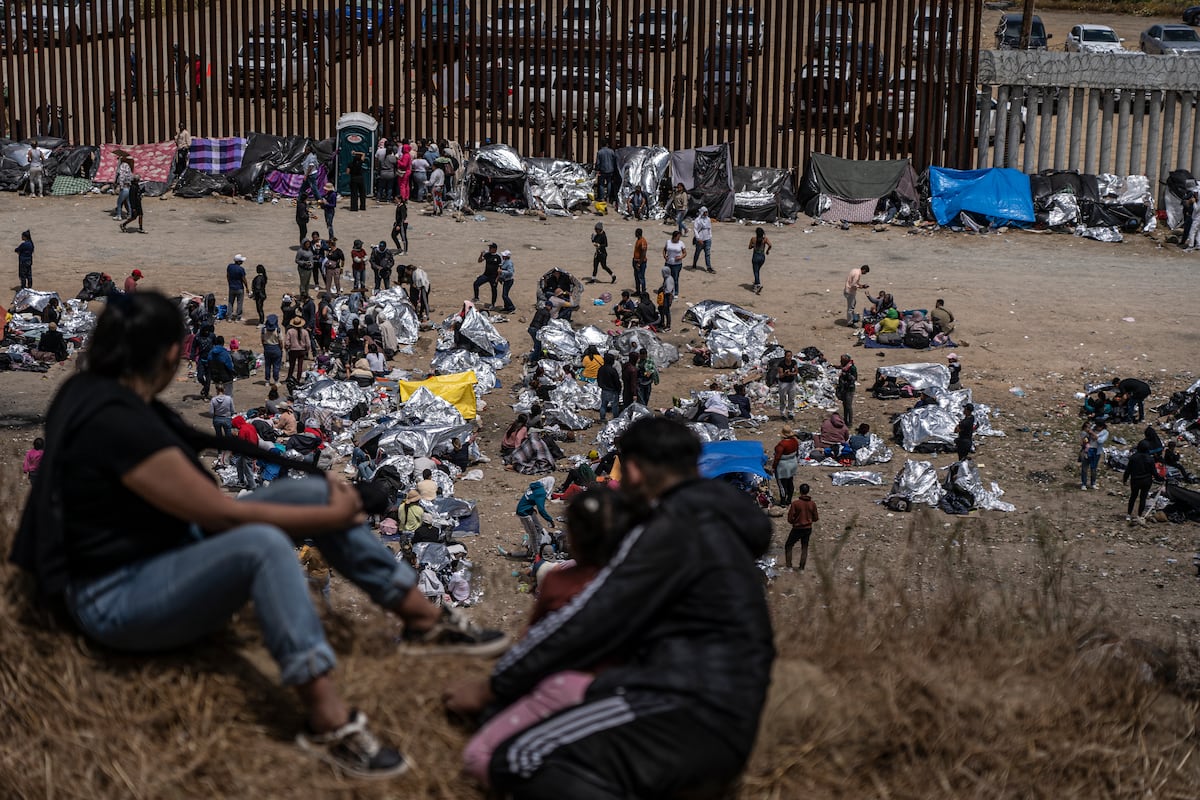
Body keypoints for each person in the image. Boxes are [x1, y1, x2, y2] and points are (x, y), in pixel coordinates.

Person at [11, 291, 507, 780]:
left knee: (311, 495)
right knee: (265, 546)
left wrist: (326, 499)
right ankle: (327, 722)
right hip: (115, 597)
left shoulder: (95, 391)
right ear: (170, 354)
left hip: (158, 552)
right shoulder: (115, 423)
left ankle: (422, 620)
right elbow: (221, 518)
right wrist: (343, 507)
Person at [444, 417, 774, 797]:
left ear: (632, 469)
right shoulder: (719, 524)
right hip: (732, 716)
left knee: (516, 757)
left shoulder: (670, 526)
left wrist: (494, 685)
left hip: (680, 705)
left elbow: (591, 616)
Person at [461, 487, 637, 786]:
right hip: (630, 691)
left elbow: (534, 643)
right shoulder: (646, 579)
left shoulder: (561, 580)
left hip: (568, 687)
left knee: (478, 755)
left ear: (575, 538)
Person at [515, 477, 556, 556]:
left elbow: (530, 499)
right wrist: (550, 519)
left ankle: (535, 547)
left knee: (539, 528)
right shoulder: (541, 492)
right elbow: (541, 509)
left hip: (527, 509)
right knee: (533, 534)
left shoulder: (536, 486)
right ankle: (535, 554)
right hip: (524, 513)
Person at [785, 483, 818, 571]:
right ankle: (801, 567)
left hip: (797, 528)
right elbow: (816, 518)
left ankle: (789, 566)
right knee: (804, 547)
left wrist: (795, 521)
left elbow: (790, 518)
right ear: (808, 491)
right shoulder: (812, 504)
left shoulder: (796, 504)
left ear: (800, 491)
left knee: (788, 545)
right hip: (808, 528)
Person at [1123, 441, 1157, 520]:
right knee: (1143, 498)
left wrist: (1125, 479)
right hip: (1147, 481)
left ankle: (1129, 514)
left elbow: (1128, 470)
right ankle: (1139, 515)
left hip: (1135, 480)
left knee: (1133, 497)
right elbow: (1154, 472)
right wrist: (1162, 479)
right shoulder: (1150, 459)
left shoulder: (1133, 457)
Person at [772, 426, 801, 507]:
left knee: (782, 485)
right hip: (792, 464)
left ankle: (783, 502)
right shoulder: (795, 441)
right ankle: (789, 500)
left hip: (783, 467)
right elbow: (797, 452)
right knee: (790, 482)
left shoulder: (782, 445)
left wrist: (773, 467)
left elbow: (777, 457)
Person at [1079, 419, 1108, 491]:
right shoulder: (1092, 428)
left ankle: (1093, 483)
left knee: (1093, 468)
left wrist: (1093, 434)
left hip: (1096, 451)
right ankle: (1083, 483)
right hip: (1087, 449)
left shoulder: (1105, 433)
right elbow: (1084, 434)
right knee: (1084, 468)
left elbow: (1100, 440)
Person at [210, 383, 235, 467]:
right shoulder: (229, 399)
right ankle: (229, 452)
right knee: (228, 436)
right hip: (227, 418)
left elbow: (211, 412)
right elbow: (232, 410)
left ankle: (220, 453)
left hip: (217, 419)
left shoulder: (213, 400)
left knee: (219, 436)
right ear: (224, 390)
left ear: (217, 390)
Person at [474, 242, 501, 308]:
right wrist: (481, 254)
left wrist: (498, 278)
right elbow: (479, 261)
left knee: (494, 290)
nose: (489, 249)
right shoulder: (487, 255)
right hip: (486, 275)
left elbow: (500, 268)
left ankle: (493, 304)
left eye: (490, 248)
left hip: (494, 277)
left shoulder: (498, 257)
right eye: (489, 247)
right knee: (476, 284)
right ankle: (476, 297)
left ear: (494, 249)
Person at [597, 352, 622, 422]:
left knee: (603, 405)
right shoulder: (612, 370)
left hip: (604, 390)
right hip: (613, 391)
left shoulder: (601, 369)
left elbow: (598, 379)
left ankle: (602, 418)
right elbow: (617, 381)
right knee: (614, 406)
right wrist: (619, 389)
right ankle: (616, 419)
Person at [285, 316, 310, 384]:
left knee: (292, 366)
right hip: (302, 351)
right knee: (300, 366)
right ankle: (298, 379)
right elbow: (308, 343)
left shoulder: (290, 331)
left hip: (292, 350)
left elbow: (287, 342)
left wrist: (287, 348)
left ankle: (289, 377)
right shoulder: (305, 332)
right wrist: (307, 350)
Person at [260, 314, 283, 386]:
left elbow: (262, 339)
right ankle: (276, 381)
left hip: (267, 348)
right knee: (276, 365)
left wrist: (265, 346)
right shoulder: (278, 330)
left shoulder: (264, 329)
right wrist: (281, 349)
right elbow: (281, 341)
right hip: (276, 348)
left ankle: (267, 381)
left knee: (267, 365)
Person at [777, 349, 799, 420]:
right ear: (785, 356)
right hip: (783, 383)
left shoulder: (793, 362)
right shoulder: (781, 364)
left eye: (790, 356)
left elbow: (796, 371)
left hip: (791, 382)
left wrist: (791, 374)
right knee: (783, 398)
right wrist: (785, 374)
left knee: (791, 398)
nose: (789, 358)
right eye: (788, 356)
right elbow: (780, 375)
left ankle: (790, 412)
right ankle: (782, 413)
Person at [747, 227, 771, 294]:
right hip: (762, 257)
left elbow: (749, 247)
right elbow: (770, 245)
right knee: (757, 270)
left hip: (755, 257)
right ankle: (756, 283)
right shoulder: (765, 239)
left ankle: (758, 284)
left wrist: (753, 246)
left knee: (756, 271)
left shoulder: (753, 239)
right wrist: (767, 251)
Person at [595, 138, 619, 204]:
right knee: (609, 183)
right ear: (607, 144)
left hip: (602, 170)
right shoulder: (611, 151)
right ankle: (608, 197)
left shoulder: (599, 152)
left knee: (601, 184)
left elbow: (598, 162)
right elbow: (614, 160)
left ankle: (602, 198)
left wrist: (597, 169)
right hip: (610, 170)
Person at [691, 206, 714, 273]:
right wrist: (698, 238)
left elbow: (709, 228)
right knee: (697, 253)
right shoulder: (697, 220)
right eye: (705, 212)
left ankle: (709, 267)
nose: (706, 213)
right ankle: (694, 265)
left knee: (707, 253)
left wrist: (710, 236)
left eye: (707, 212)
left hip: (707, 238)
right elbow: (695, 230)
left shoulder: (708, 219)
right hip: (700, 239)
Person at [836, 354, 858, 425]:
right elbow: (840, 367)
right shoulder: (845, 367)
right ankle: (845, 420)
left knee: (848, 406)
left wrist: (846, 375)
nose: (840, 362)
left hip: (849, 389)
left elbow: (854, 378)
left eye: (842, 360)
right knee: (844, 405)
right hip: (844, 388)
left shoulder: (852, 368)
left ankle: (850, 422)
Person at [663, 230, 686, 298]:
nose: (679, 238)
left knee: (675, 278)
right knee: (666, 278)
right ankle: (666, 290)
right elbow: (664, 250)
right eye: (678, 237)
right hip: (668, 263)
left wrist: (680, 257)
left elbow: (685, 253)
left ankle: (675, 292)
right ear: (674, 236)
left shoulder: (681, 243)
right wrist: (664, 256)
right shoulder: (668, 242)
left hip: (677, 264)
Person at [226, 254, 248, 322]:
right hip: (239, 288)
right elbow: (244, 279)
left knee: (230, 302)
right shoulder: (241, 269)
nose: (242, 262)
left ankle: (229, 317)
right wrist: (247, 287)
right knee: (239, 303)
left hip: (231, 287)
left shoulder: (230, 266)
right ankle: (238, 317)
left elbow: (227, 275)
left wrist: (229, 283)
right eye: (241, 261)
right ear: (238, 262)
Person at [498, 249, 517, 313]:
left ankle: (512, 307)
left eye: (504, 255)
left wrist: (502, 271)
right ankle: (507, 307)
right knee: (504, 295)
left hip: (509, 281)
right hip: (506, 280)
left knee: (505, 295)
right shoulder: (505, 261)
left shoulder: (509, 263)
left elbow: (511, 272)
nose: (502, 256)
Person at [657, 265, 675, 331]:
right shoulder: (667, 278)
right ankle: (662, 323)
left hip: (667, 297)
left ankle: (668, 325)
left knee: (667, 311)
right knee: (661, 309)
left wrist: (663, 291)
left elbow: (669, 290)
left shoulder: (669, 280)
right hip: (665, 297)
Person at [631, 227, 648, 294]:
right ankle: (638, 291)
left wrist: (639, 263)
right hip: (636, 261)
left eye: (636, 233)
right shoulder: (638, 240)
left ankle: (643, 292)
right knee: (636, 277)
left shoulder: (642, 241)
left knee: (641, 277)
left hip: (640, 262)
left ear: (638, 233)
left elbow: (643, 254)